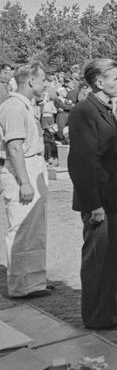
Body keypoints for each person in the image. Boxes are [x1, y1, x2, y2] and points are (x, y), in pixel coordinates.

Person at [67, 58, 117, 330]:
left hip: (110, 195)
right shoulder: (84, 110)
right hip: (99, 200)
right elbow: (81, 162)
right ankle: (98, 315)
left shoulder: (104, 108)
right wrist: (93, 204)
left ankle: (113, 307)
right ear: (98, 82)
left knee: (115, 256)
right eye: (115, 78)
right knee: (98, 260)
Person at [0, 62, 51, 298]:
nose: (44, 84)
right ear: (31, 81)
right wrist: (24, 182)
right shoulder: (13, 107)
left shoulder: (24, 106)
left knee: (34, 228)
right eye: (42, 80)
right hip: (21, 169)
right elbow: (14, 147)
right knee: (21, 227)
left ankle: (34, 280)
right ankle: (21, 285)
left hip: (32, 164)